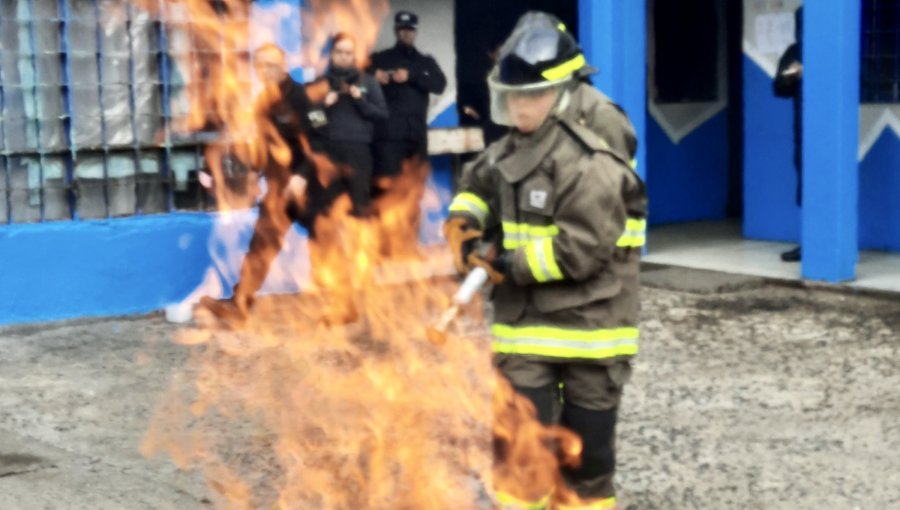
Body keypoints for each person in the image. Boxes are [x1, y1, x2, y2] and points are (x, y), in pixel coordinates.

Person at [443, 16, 646, 510]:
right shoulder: (521, 135)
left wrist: (509, 263)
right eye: (511, 97)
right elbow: (481, 184)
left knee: (587, 462)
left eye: (529, 95)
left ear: (561, 90)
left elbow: (585, 242)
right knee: (519, 455)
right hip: (525, 323)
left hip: (594, 320)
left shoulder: (597, 135)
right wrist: (464, 231)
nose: (517, 107)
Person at [200, 43, 351, 326]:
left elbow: (320, 142)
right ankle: (240, 305)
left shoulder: (303, 97)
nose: (264, 70)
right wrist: (255, 176)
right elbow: (263, 147)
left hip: (313, 187)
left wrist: (302, 175)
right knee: (262, 243)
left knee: (325, 246)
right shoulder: (263, 102)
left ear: (283, 65)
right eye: (259, 65)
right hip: (280, 188)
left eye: (269, 64)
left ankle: (344, 306)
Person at [313, 32, 388, 217]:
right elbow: (312, 121)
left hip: (359, 153)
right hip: (329, 153)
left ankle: (362, 245)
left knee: (360, 206)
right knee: (329, 208)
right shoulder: (320, 83)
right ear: (331, 54)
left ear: (354, 55)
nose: (344, 56)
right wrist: (324, 106)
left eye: (348, 52)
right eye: (339, 51)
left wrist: (360, 100)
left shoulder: (368, 82)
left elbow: (382, 115)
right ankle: (330, 246)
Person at [369, 10, 447, 183]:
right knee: (386, 189)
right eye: (402, 29)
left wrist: (411, 75)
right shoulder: (379, 59)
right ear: (396, 31)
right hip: (388, 139)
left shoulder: (425, 61)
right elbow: (358, 77)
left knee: (416, 190)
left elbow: (440, 84)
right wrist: (374, 76)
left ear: (415, 31)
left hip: (416, 137)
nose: (406, 33)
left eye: (410, 29)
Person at [774, 6, 803, 262]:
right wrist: (791, 77)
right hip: (802, 129)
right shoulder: (794, 52)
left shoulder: (833, 48)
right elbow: (779, 88)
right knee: (805, 183)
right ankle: (808, 241)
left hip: (832, 134)